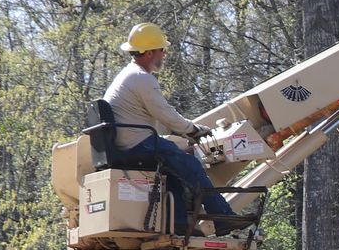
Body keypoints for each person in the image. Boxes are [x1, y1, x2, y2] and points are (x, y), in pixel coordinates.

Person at [101, 21, 241, 229]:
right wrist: (193, 130)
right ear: (149, 52)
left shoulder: (128, 76)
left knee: (173, 172)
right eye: (162, 50)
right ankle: (222, 217)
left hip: (129, 141)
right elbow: (166, 115)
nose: (164, 54)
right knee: (190, 165)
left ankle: (178, 225)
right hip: (138, 142)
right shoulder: (141, 79)